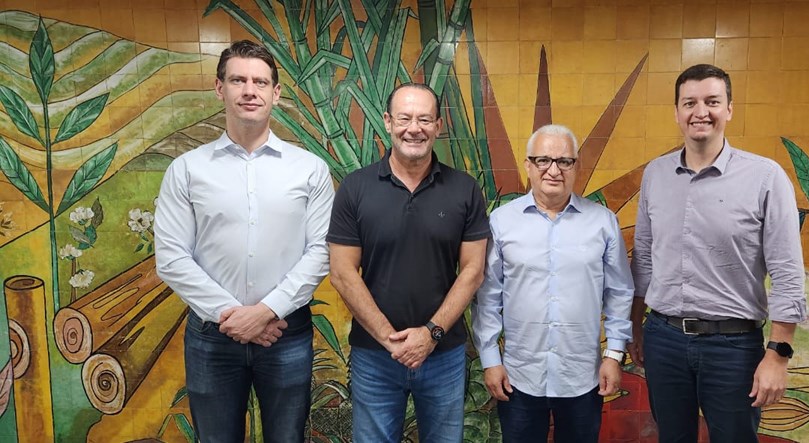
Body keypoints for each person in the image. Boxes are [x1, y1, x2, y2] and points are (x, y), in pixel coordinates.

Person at [154, 40, 335, 442]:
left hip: (285, 333)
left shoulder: (309, 170)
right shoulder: (186, 170)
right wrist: (232, 317)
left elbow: (321, 252)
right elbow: (171, 257)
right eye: (238, 80)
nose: (250, 90)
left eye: (260, 82)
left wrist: (266, 312)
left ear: (276, 92)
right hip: (212, 338)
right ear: (220, 88)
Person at [629, 63, 806, 442]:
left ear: (729, 109)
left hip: (733, 347)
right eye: (689, 103)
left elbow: (787, 270)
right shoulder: (655, 174)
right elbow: (643, 256)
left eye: (712, 101)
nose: (700, 112)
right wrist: (635, 326)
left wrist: (778, 354)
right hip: (664, 339)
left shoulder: (765, 177)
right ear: (677, 112)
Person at [327, 83, 489, 443]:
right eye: (404, 119)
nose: (414, 128)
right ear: (388, 122)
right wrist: (391, 340)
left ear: (438, 126)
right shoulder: (355, 188)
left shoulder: (464, 189)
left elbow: (473, 271)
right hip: (374, 356)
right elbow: (341, 272)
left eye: (424, 119)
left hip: (443, 354)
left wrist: (430, 334)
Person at [472, 124, 634, 443]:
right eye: (543, 160)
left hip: (582, 376)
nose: (554, 170)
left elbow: (619, 293)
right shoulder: (501, 222)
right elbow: (488, 298)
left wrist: (614, 355)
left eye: (564, 161)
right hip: (519, 377)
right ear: (528, 165)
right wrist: (490, 360)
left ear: (576, 166)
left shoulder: (602, 222)